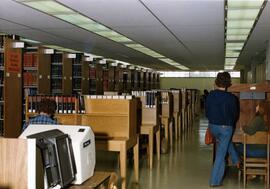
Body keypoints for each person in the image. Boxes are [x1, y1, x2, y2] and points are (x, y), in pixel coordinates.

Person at [205, 72, 240, 187]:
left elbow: (206, 112)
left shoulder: (210, 95)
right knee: (221, 154)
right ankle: (214, 181)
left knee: (225, 141)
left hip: (213, 127)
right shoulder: (232, 98)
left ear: (216, 82)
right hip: (225, 128)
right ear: (228, 84)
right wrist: (229, 124)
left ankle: (236, 160)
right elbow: (235, 115)